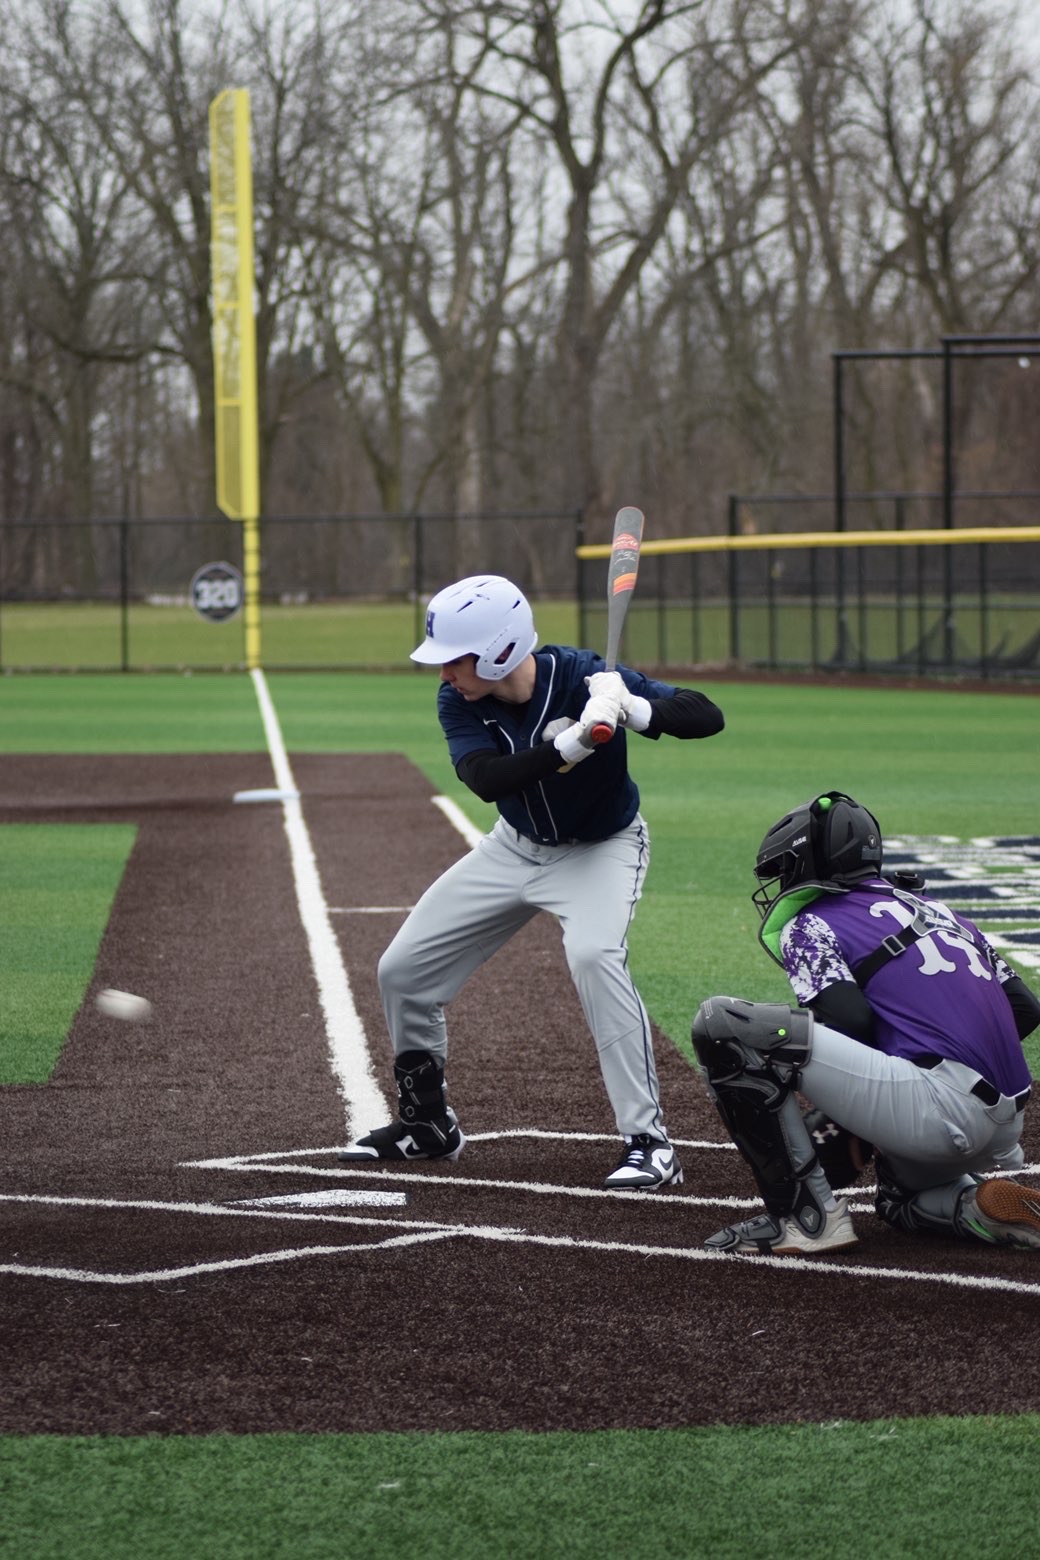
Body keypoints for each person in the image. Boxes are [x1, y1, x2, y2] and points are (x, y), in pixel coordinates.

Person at [340, 573, 724, 1189]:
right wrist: (573, 742)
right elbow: (488, 779)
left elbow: (708, 717)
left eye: (454, 661)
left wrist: (632, 707)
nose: (444, 676)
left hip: (602, 849)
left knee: (595, 956)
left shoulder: (585, 675)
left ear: (497, 650)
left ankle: (649, 1141)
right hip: (511, 850)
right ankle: (427, 1125)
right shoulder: (459, 701)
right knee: (402, 972)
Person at [691, 789, 1040, 1254]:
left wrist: (844, 1120)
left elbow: (850, 1020)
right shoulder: (939, 910)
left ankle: (804, 1221)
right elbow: (1025, 1009)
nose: (778, 883)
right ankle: (975, 1202)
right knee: (902, 1201)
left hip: (939, 1113)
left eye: (782, 870)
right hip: (1004, 1119)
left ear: (805, 863)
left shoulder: (810, 922)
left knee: (724, 1023)